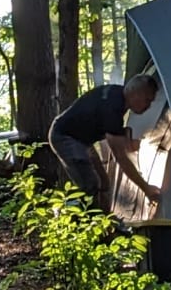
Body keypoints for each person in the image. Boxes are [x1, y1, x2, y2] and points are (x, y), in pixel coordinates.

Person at [47, 74, 158, 210]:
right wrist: (146, 188)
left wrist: (134, 141)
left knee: (104, 183)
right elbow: (121, 157)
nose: (148, 106)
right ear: (136, 93)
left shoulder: (117, 94)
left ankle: (104, 220)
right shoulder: (113, 109)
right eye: (147, 100)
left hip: (82, 139)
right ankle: (68, 216)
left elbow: (119, 140)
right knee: (90, 185)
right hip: (65, 137)